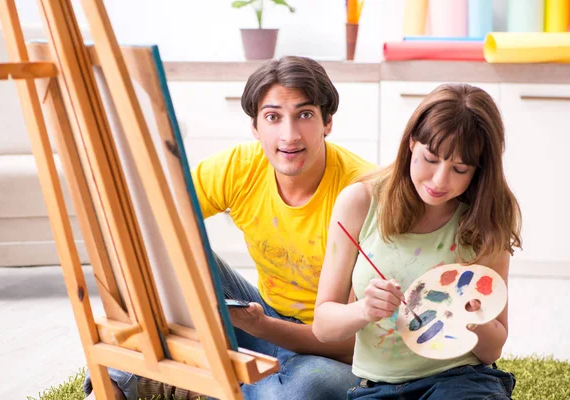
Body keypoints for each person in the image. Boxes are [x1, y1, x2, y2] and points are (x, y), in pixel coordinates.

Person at [84, 56, 376, 399]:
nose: (289, 135)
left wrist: (262, 327)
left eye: (305, 115)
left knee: (304, 388)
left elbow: (350, 343)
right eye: (273, 117)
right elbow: (151, 225)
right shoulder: (239, 167)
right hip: (261, 320)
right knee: (164, 249)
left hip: (333, 350)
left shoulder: (362, 193)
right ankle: (117, 387)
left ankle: (208, 383)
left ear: (328, 122)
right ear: (255, 127)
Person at [312, 83, 521, 399]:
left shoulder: (485, 220)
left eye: (459, 169)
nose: (440, 181)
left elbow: (492, 351)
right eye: (431, 158)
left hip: (460, 379)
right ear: (411, 143)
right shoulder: (359, 202)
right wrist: (365, 310)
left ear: (478, 171)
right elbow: (323, 327)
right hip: (377, 386)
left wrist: (473, 316)